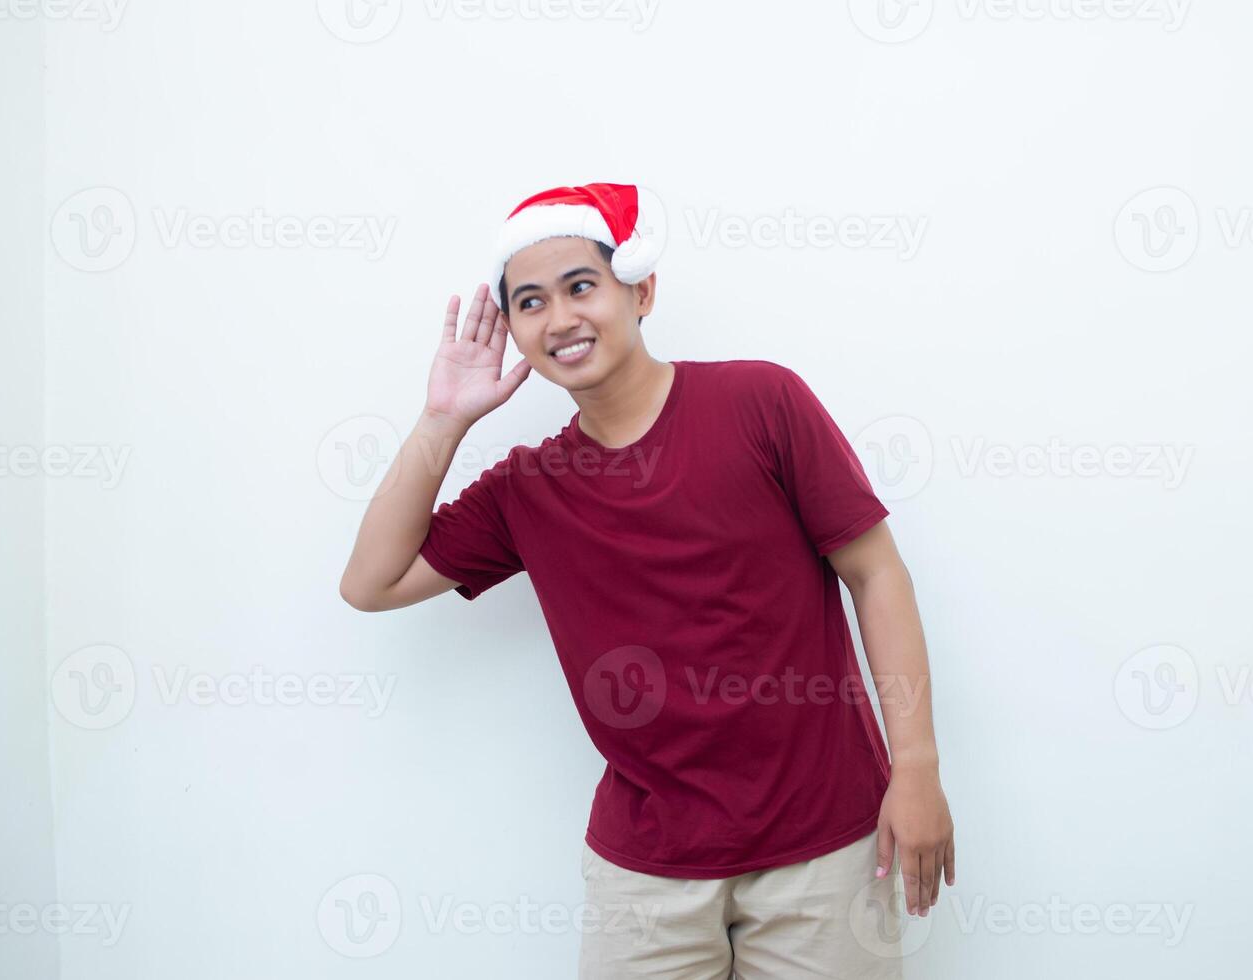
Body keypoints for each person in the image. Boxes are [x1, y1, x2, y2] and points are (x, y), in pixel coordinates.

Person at [338, 182, 955, 978]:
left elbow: (876, 575)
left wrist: (918, 770)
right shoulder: (528, 488)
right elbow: (371, 582)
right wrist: (444, 418)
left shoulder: (761, 402)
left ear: (642, 290)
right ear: (516, 331)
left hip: (823, 846)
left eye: (580, 287)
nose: (559, 318)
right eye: (530, 302)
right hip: (646, 870)